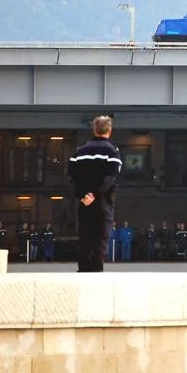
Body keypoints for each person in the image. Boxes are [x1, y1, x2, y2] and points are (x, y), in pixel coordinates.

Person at [67, 115, 122, 272]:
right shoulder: (112, 152)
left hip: (84, 202)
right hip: (103, 202)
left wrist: (84, 196)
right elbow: (110, 178)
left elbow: (72, 177)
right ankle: (96, 271)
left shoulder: (79, 152)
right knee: (101, 238)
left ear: (94, 129)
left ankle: (83, 269)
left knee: (85, 237)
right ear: (109, 131)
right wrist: (96, 195)